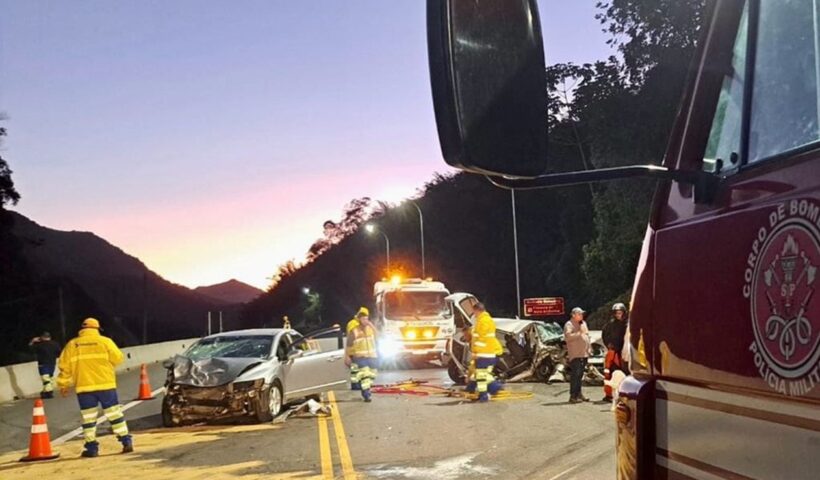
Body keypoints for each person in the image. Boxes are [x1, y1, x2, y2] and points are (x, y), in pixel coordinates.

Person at [56, 317, 133, 457]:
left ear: (82, 329)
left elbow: (64, 367)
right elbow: (118, 359)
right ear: (97, 329)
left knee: (89, 419)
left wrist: (63, 384)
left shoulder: (72, 344)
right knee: (115, 415)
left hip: (84, 388)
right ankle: (126, 441)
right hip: (106, 385)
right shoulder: (105, 341)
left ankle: (92, 449)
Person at [468, 302, 503, 402]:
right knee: (481, 376)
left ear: (477, 310)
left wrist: (476, 352)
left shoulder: (483, 321)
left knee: (482, 376)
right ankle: (483, 394)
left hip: (484, 353)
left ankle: (494, 387)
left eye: (474, 312)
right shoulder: (485, 320)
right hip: (487, 352)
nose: (473, 314)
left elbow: (481, 338)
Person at [344, 308, 378, 402]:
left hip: (372, 356)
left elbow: (377, 335)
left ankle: (363, 388)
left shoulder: (370, 328)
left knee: (372, 375)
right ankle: (366, 395)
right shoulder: (354, 329)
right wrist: (347, 356)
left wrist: (371, 325)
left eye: (366, 318)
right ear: (359, 319)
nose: (365, 321)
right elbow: (349, 344)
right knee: (365, 375)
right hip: (360, 357)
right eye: (363, 319)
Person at [601, 303, 629, 402]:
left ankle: (625, 393)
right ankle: (609, 394)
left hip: (625, 353)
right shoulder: (610, 325)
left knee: (626, 374)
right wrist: (609, 345)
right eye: (616, 313)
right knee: (609, 373)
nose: (618, 315)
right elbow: (605, 335)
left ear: (624, 313)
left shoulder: (628, 324)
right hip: (613, 353)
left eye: (620, 313)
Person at [564, 307, 591, 404]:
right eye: (579, 314)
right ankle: (573, 396)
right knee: (575, 375)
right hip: (575, 354)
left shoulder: (583, 323)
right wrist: (579, 333)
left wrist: (589, 348)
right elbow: (568, 337)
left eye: (582, 314)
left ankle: (579, 393)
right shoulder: (569, 324)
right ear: (573, 315)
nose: (581, 316)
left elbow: (587, 336)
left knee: (580, 375)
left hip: (584, 353)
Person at [28, 332, 61, 399]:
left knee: (45, 378)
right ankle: (46, 391)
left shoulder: (40, 345)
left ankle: (48, 392)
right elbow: (59, 352)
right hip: (52, 363)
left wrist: (32, 341)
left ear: (42, 337)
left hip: (43, 364)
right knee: (50, 378)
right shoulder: (55, 344)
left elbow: (30, 349)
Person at [345, 307, 367, 390]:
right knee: (356, 368)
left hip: (358, 349)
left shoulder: (355, 323)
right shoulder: (353, 324)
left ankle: (356, 384)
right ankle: (356, 385)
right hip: (355, 350)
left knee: (357, 368)